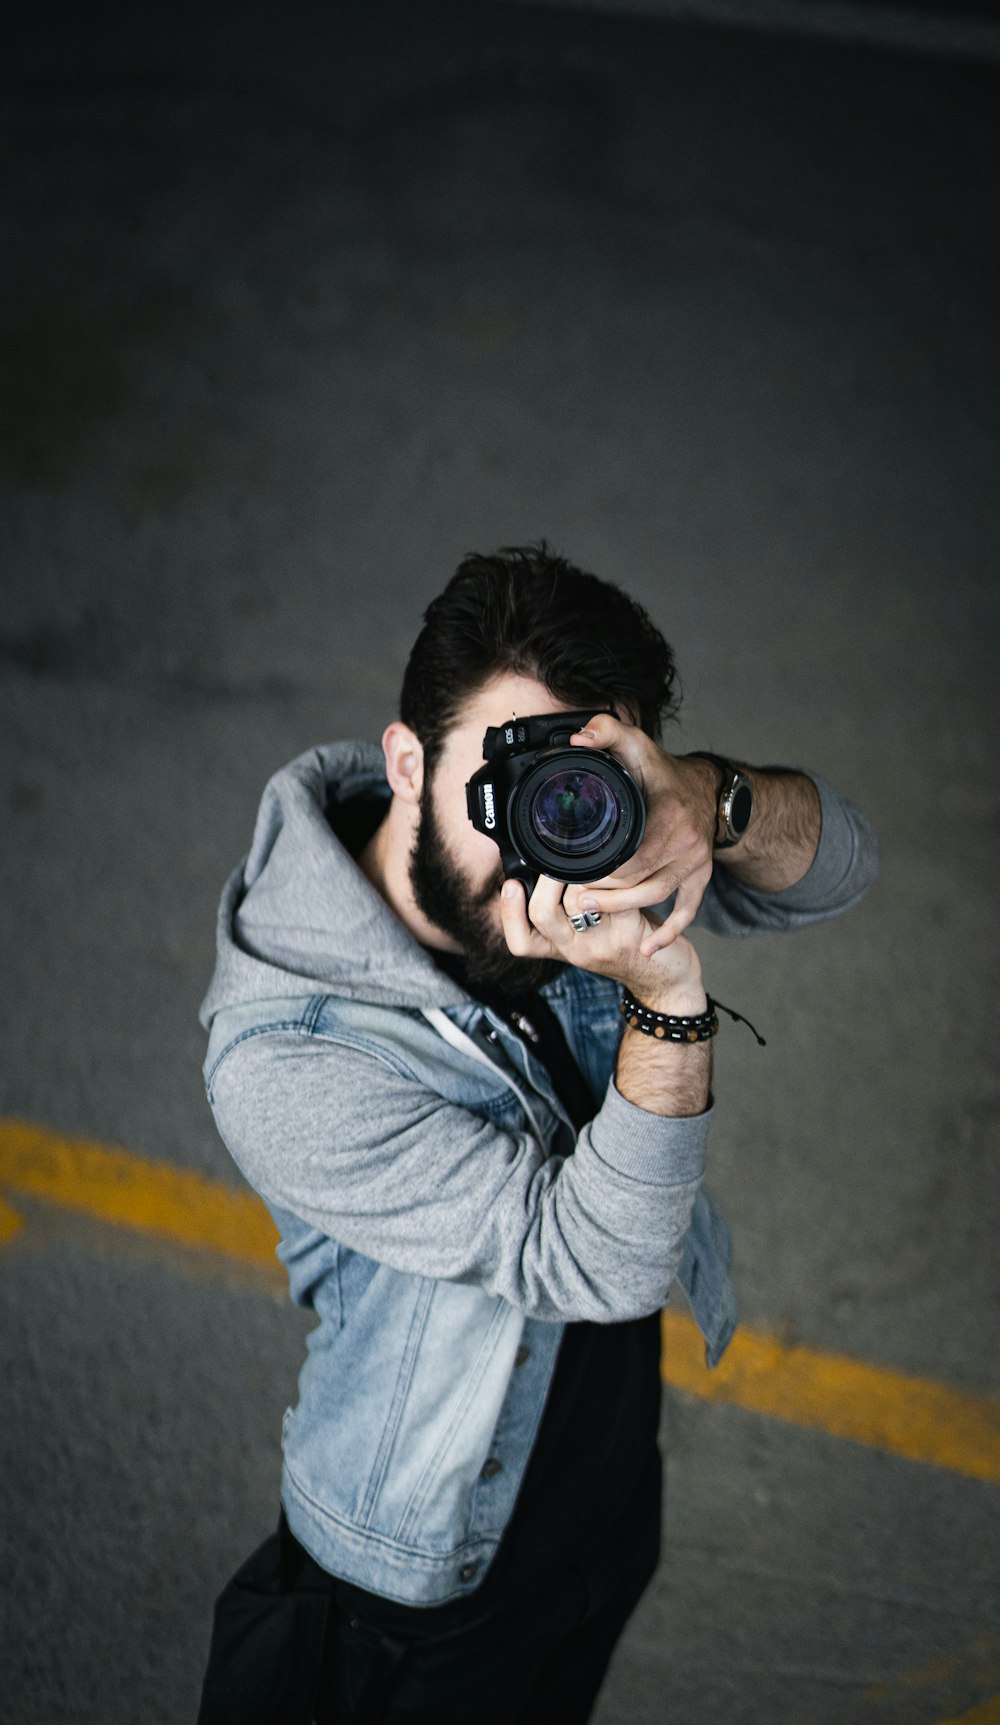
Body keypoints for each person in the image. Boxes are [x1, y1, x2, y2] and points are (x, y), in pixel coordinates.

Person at [196, 544, 877, 1725]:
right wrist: (664, 998)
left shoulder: (602, 830)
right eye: (500, 795)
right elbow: (593, 1263)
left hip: (603, 1498)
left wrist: (701, 798)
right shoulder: (285, 1053)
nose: (540, 843)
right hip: (421, 1585)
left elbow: (838, 870)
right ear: (406, 762)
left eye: (578, 787)